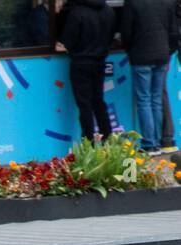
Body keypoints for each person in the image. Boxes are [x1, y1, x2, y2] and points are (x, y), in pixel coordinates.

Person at [122, 0, 179, 153]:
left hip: (141, 56)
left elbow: (126, 33)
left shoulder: (132, 3)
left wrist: (131, 50)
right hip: (161, 55)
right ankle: (158, 142)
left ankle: (149, 143)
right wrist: (167, 52)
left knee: (144, 100)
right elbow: (174, 33)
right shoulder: (167, 2)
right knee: (156, 100)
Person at [56, 0, 116, 143]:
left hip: (80, 63)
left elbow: (67, 42)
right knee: (98, 102)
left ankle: (88, 142)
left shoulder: (76, 13)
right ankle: (108, 138)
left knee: (85, 105)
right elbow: (111, 38)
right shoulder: (108, 10)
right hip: (100, 61)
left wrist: (63, 45)